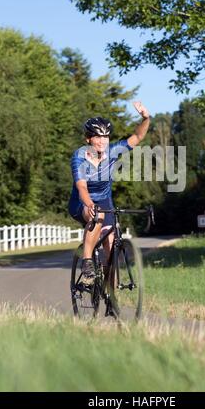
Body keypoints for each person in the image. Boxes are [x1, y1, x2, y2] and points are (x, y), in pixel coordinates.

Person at [68, 101, 150, 284]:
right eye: (98, 136)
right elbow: (81, 187)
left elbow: (137, 136)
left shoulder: (112, 152)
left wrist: (145, 118)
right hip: (81, 202)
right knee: (96, 216)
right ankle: (87, 260)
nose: (103, 141)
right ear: (88, 139)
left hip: (105, 201)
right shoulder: (79, 157)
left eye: (106, 136)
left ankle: (108, 292)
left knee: (111, 245)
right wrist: (89, 205)